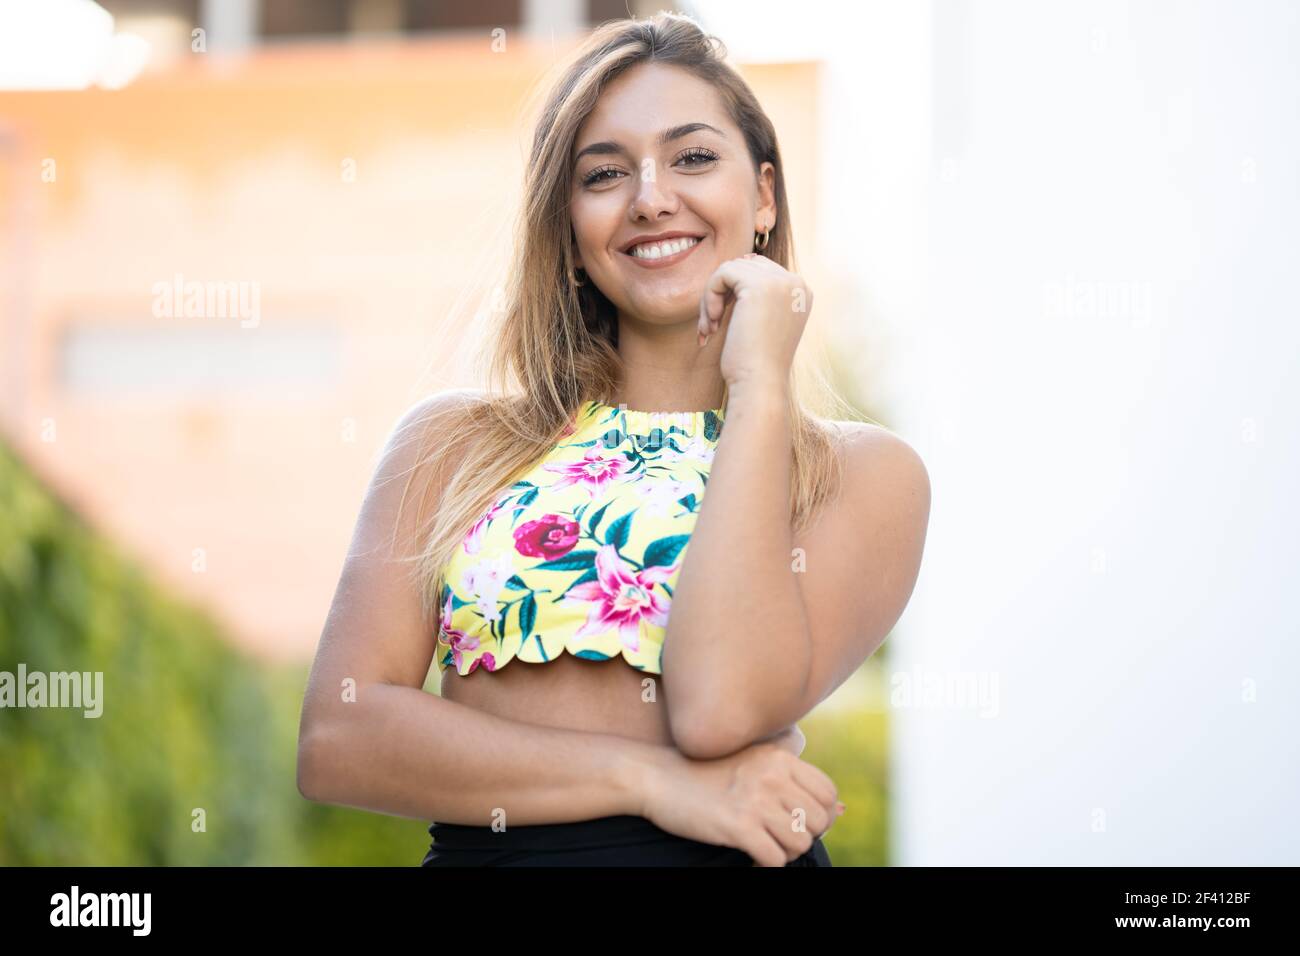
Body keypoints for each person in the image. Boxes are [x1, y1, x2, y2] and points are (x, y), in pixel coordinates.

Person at [296, 11, 930, 867]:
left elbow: (720, 710)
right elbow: (340, 735)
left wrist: (758, 386)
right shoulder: (452, 446)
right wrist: (653, 782)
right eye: (604, 174)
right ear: (567, 226)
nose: (651, 196)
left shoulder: (856, 473)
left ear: (765, 197)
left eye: (694, 157)